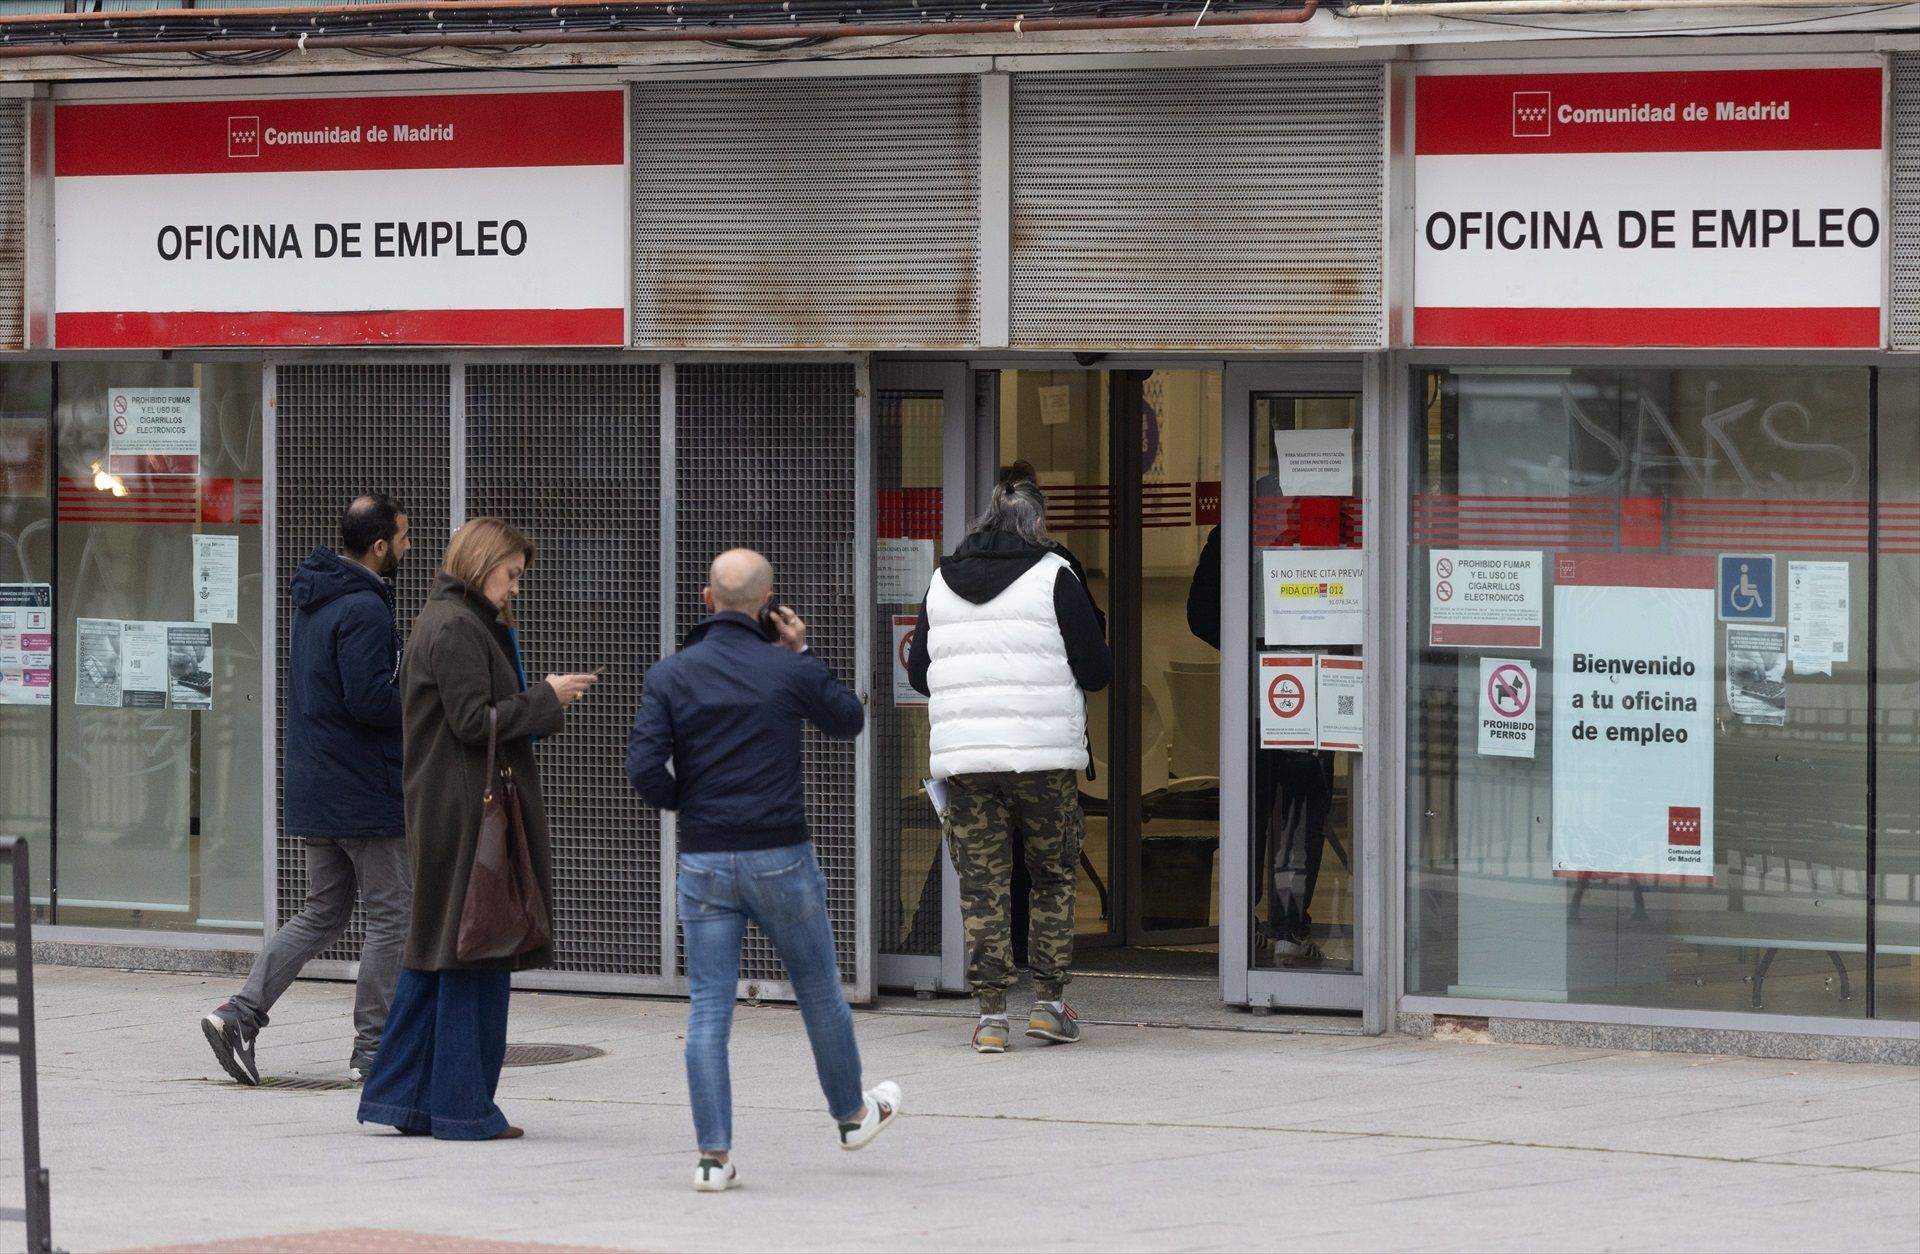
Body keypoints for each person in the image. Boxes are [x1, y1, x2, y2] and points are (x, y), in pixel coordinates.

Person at [626, 548, 901, 1193]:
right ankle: (852, 1116)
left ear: (706, 599)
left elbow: (642, 770)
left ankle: (713, 1159)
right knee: (819, 992)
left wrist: (689, 806)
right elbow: (849, 720)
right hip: (781, 856)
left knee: (708, 1009)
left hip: (703, 860)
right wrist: (803, 654)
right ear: (768, 605)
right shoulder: (786, 671)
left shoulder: (670, 675)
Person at [357, 517, 599, 1140]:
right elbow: (472, 721)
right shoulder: (459, 625)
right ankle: (462, 1109)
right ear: (482, 562)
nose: (516, 587)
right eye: (511, 574)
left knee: (439, 952)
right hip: (466, 812)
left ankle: (406, 1101)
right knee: (475, 947)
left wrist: (540, 699)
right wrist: (547, 695)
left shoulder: (449, 618)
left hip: (450, 806)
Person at [202, 494, 413, 1086]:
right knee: (392, 916)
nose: (408, 548)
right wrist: (425, 703)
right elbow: (369, 699)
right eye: (403, 538)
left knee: (323, 911)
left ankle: (238, 1014)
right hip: (363, 793)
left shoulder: (318, 600)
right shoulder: (365, 608)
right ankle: (374, 1052)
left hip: (319, 787)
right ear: (379, 546)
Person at [906, 480, 1112, 1053]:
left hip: (967, 762)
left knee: (983, 884)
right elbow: (1096, 669)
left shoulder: (940, 582)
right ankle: (1047, 1005)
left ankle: (991, 1015)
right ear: (1035, 526)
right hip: (1043, 760)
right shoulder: (1055, 576)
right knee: (1052, 876)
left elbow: (920, 672)